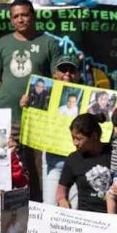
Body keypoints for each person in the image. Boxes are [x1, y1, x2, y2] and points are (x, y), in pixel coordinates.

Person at [0, 0, 61, 198]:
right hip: (6, 117)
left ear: (33, 16)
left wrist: (37, 99)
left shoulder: (49, 43)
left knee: (36, 169)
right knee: (6, 167)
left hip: (36, 119)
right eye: (16, 16)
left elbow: (58, 80)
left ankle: (35, 211)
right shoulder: (3, 43)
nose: (21, 19)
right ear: (11, 20)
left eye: (25, 15)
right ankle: (7, 207)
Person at [38, 53, 83, 207]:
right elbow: (34, 120)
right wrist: (25, 104)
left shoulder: (89, 99)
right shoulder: (44, 95)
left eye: (72, 70)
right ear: (54, 74)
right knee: (49, 206)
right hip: (53, 159)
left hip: (78, 159)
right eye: (63, 70)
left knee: (75, 208)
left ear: (78, 75)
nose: (67, 74)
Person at [57, 113, 116, 213]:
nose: (75, 143)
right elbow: (62, 188)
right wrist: (62, 200)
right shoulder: (73, 159)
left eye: (79, 139)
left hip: (116, 216)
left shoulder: (115, 153)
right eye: (73, 138)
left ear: (94, 136)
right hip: (86, 219)